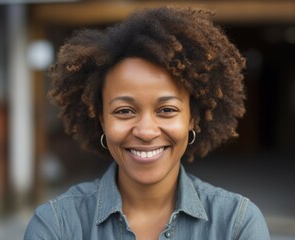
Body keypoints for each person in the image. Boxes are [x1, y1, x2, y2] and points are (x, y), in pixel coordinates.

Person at [24, 6, 270, 239]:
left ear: (192, 119)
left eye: (166, 110)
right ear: (102, 120)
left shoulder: (237, 225)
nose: (145, 131)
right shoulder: (56, 226)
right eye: (124, 111)